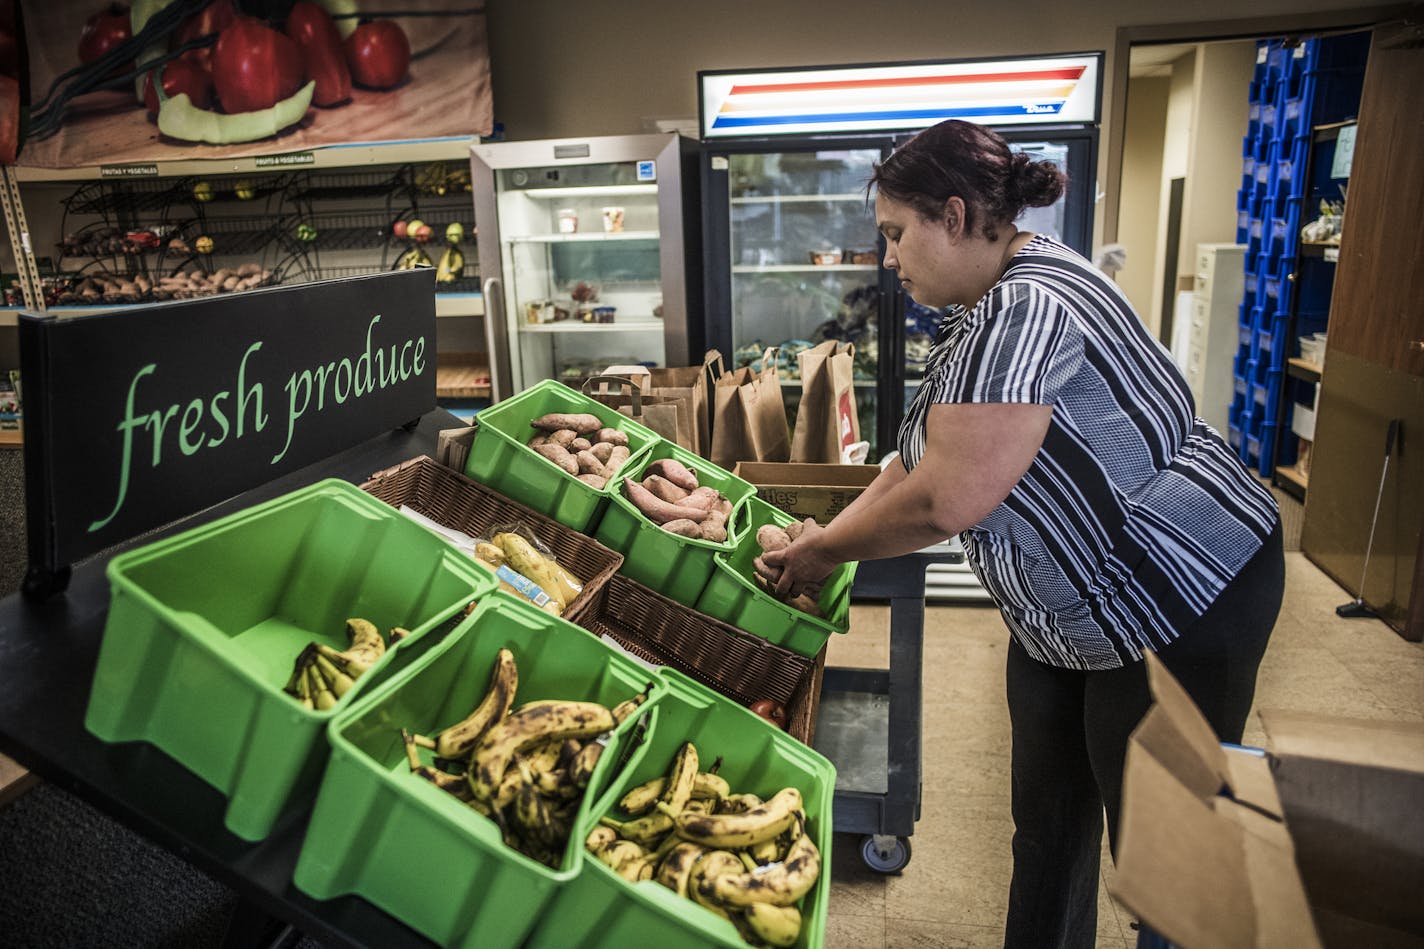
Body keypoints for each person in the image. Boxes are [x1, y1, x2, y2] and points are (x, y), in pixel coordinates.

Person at [761, 119, 1284, 949]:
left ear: (957, 216)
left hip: (1183, 592)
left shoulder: (1027, 305)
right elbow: (915, 461)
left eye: (897, 235)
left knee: (1169, 863)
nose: (889, 258)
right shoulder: (979, 307)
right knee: (1045, 831)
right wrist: (829, 530)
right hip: (1066, 619)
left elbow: (946, 499)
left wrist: (825, 552)